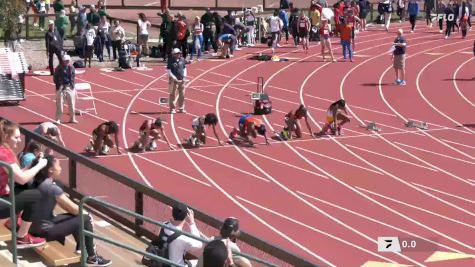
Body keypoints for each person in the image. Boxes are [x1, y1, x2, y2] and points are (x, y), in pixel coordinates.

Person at [29, 156, 112, 266]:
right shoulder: (51, 188)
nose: (60, 168)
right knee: (86, 218)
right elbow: (72, 208)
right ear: (50, 170)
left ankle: (81, 248)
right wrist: (87, 215)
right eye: (58, 165)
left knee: (76, 218)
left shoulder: (34, 181)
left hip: (33, 227)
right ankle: (92, 257)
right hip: (44, 231)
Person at [0, 119, 47, 248]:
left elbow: (15, 174)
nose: (20, 140)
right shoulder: (5, 154)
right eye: (16, 137)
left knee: (21, 190)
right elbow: (21, 179)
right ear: (5, 137)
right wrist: (41, 165)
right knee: (36, 195)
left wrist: (32, 164)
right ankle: (22, 237)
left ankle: (13, 222)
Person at [53, 54, 77, 124]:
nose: (67, 62)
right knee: (59, 104)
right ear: (63, 61)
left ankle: (72, 118)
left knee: (72, 103)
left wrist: (71, 86)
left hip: (69, 86)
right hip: (61, 87)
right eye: (65, 61)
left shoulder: (71, 67)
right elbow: (55, 79)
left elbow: (73, 77)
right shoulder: (58, 68)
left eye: (68, 61)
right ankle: (58, 119)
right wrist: (59, 85)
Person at [168, 48, 187, 114]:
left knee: (182, 95)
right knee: (172, 95)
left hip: (181, 80)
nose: (179, 54)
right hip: (173, 81)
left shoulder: (182, 59)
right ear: (174, 54)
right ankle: (172, 109)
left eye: (179, 53)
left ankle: (181, 108)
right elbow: (169, 71)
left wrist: (184, 77)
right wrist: (174, 78)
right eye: (177, 53)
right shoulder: (170, 61)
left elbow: (184, 68)